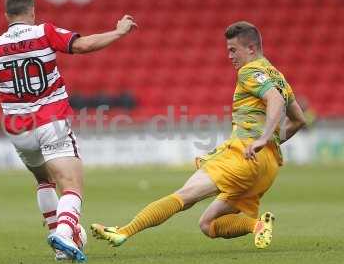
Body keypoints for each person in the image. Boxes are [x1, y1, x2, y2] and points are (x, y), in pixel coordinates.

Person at [0, 0, 137, 263]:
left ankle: (60, 246)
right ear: (32, 11)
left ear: (6, 16)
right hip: (51, 120)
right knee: (71, 184)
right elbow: (83, 45)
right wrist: (118, 32)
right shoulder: (44, 32)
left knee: (43, 180)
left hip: (17, 128)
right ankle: (64, 233)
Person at [91, 21, 306, 249]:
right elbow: (299, 119)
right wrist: (269, 142)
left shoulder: (249, 70)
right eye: (228, 51)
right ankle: (257, 226)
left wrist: (262, 138)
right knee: (208, 223)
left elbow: (275, 99)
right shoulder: (277, 75)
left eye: (233, 50)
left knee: (184, 196)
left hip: (244, 157)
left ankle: (123, 231)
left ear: (251, 49)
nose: (230, 56)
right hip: (268, 165)